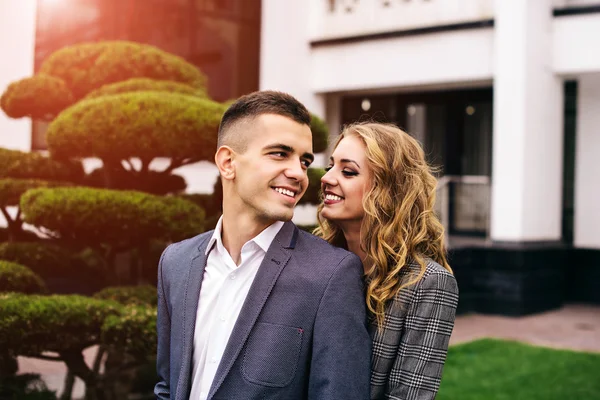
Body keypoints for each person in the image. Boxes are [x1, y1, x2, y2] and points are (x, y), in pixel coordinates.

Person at [154, 91, 371, 400]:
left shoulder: (331, 275)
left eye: (304, 160)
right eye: (280, 154)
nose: (299, 172)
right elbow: (167, 385)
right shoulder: (175, 263)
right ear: (228, 162)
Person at [316, 122, 459, 400]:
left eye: (347, 171)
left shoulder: (428, 283)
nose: (327, 178)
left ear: (388, 190)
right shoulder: (315, 262)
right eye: (330, 167)